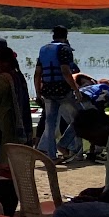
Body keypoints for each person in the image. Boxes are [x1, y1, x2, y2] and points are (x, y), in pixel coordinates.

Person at [34, 25, 82, 163]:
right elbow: (66, 71)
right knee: (81, 117)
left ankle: (52, 156)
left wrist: (38, 93)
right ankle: (63, 143)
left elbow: (37, 74)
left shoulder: (43, 49)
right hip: (63, 90)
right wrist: (76, 90)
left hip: (47, 91)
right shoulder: (64, 49)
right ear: (66, 36)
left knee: (50, 123)